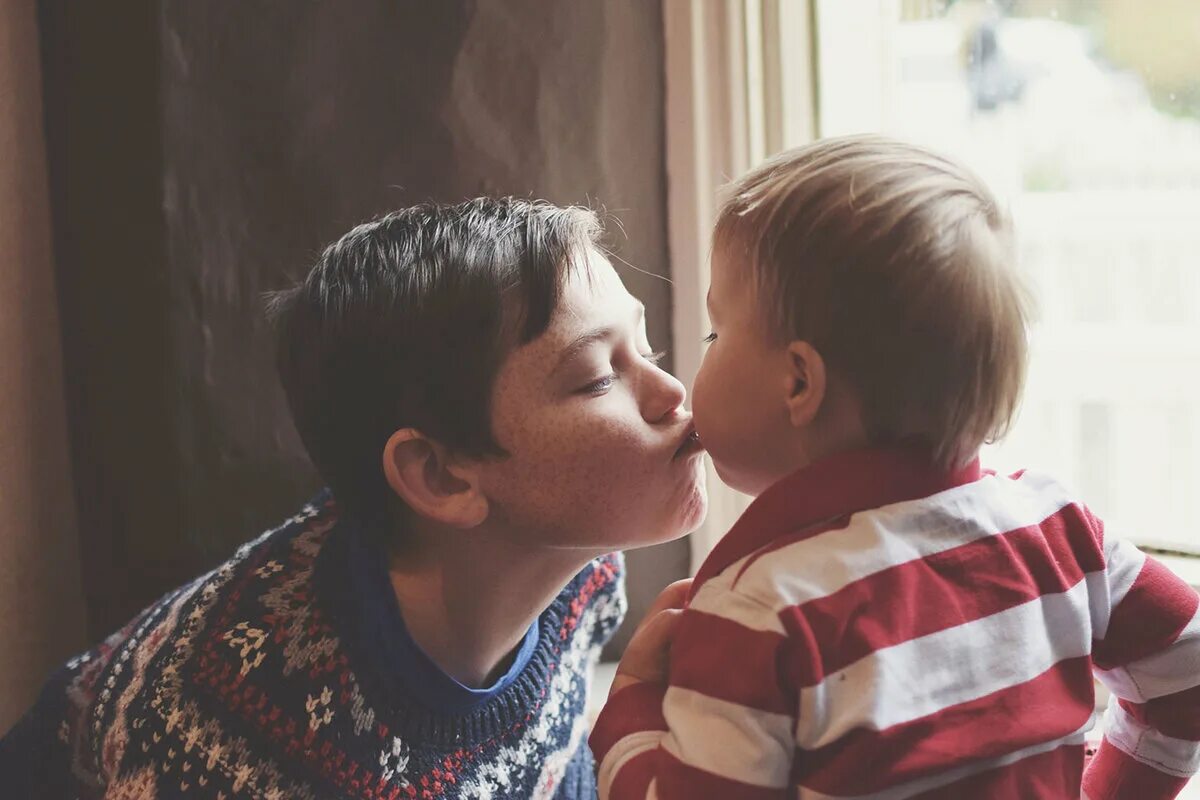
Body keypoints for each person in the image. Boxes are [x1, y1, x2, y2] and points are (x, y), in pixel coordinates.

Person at [0, 197, 708, 799]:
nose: (672, 392)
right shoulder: (246, 751)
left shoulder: (581, 571)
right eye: (596, 378)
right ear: (440, 476)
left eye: (645, 350)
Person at [592, 135, 1200, 799]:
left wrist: (632, 709)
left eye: (716, 333)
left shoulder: (760, 616)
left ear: (799, 382)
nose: (685, 376)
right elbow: (1188, 678)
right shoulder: (1062, 534)